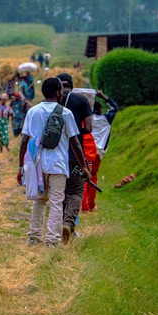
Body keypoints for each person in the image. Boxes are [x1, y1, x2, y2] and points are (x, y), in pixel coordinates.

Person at [17, 77, 91, 248]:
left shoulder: (33, 111)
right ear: (58, 92)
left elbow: (23, 141)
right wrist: (84, 167)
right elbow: (75, 143)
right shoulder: (65, 113)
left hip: (36, 165)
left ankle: (34, 237)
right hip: (57, 165)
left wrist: (21, 167)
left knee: (39, 201)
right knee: (57, 202)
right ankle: (52, 241)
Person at [56, 72, 93, 243]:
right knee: (76, 190)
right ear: (72, 84)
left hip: (55, 155)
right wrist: (77, 130)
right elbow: (89, 127)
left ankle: (59, 227)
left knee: (60, 190)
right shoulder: (81, 100)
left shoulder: (51, 100)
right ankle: (69, 224)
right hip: (75, 154)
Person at [82, 90, 119, 212]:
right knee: (93, 176)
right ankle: (91, 204)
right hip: (98, 152)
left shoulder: (86, 119)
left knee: (83, 176)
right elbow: (115, 107)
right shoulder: (106, 119)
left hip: (86, 149)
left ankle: (84, 205)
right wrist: (103, 96)